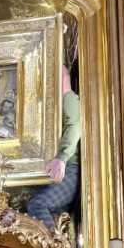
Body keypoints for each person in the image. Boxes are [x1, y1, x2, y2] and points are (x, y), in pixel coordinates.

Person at [27, 66, 80, 231]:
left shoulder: (69, 99)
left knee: (37, 204)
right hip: (54, 171)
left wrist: (61, 158)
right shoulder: (46, 108)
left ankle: (55, 246)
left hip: (70, 169)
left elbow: (75, 126)